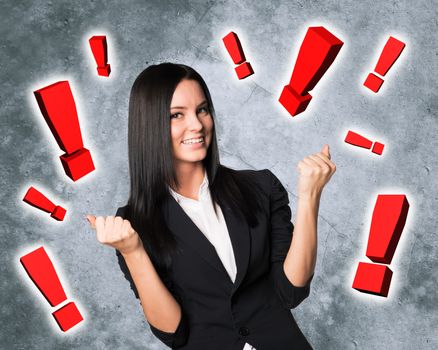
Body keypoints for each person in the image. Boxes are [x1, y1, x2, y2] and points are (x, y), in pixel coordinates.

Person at [87, 63, 336, 350]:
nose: (197, 124)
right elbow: (173, 332)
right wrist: (133, 251)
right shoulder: (133, 223)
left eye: (202, 110)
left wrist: (310, 197)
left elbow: (290, 291)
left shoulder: (260, 187)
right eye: (177, 115)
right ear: (149, 125)